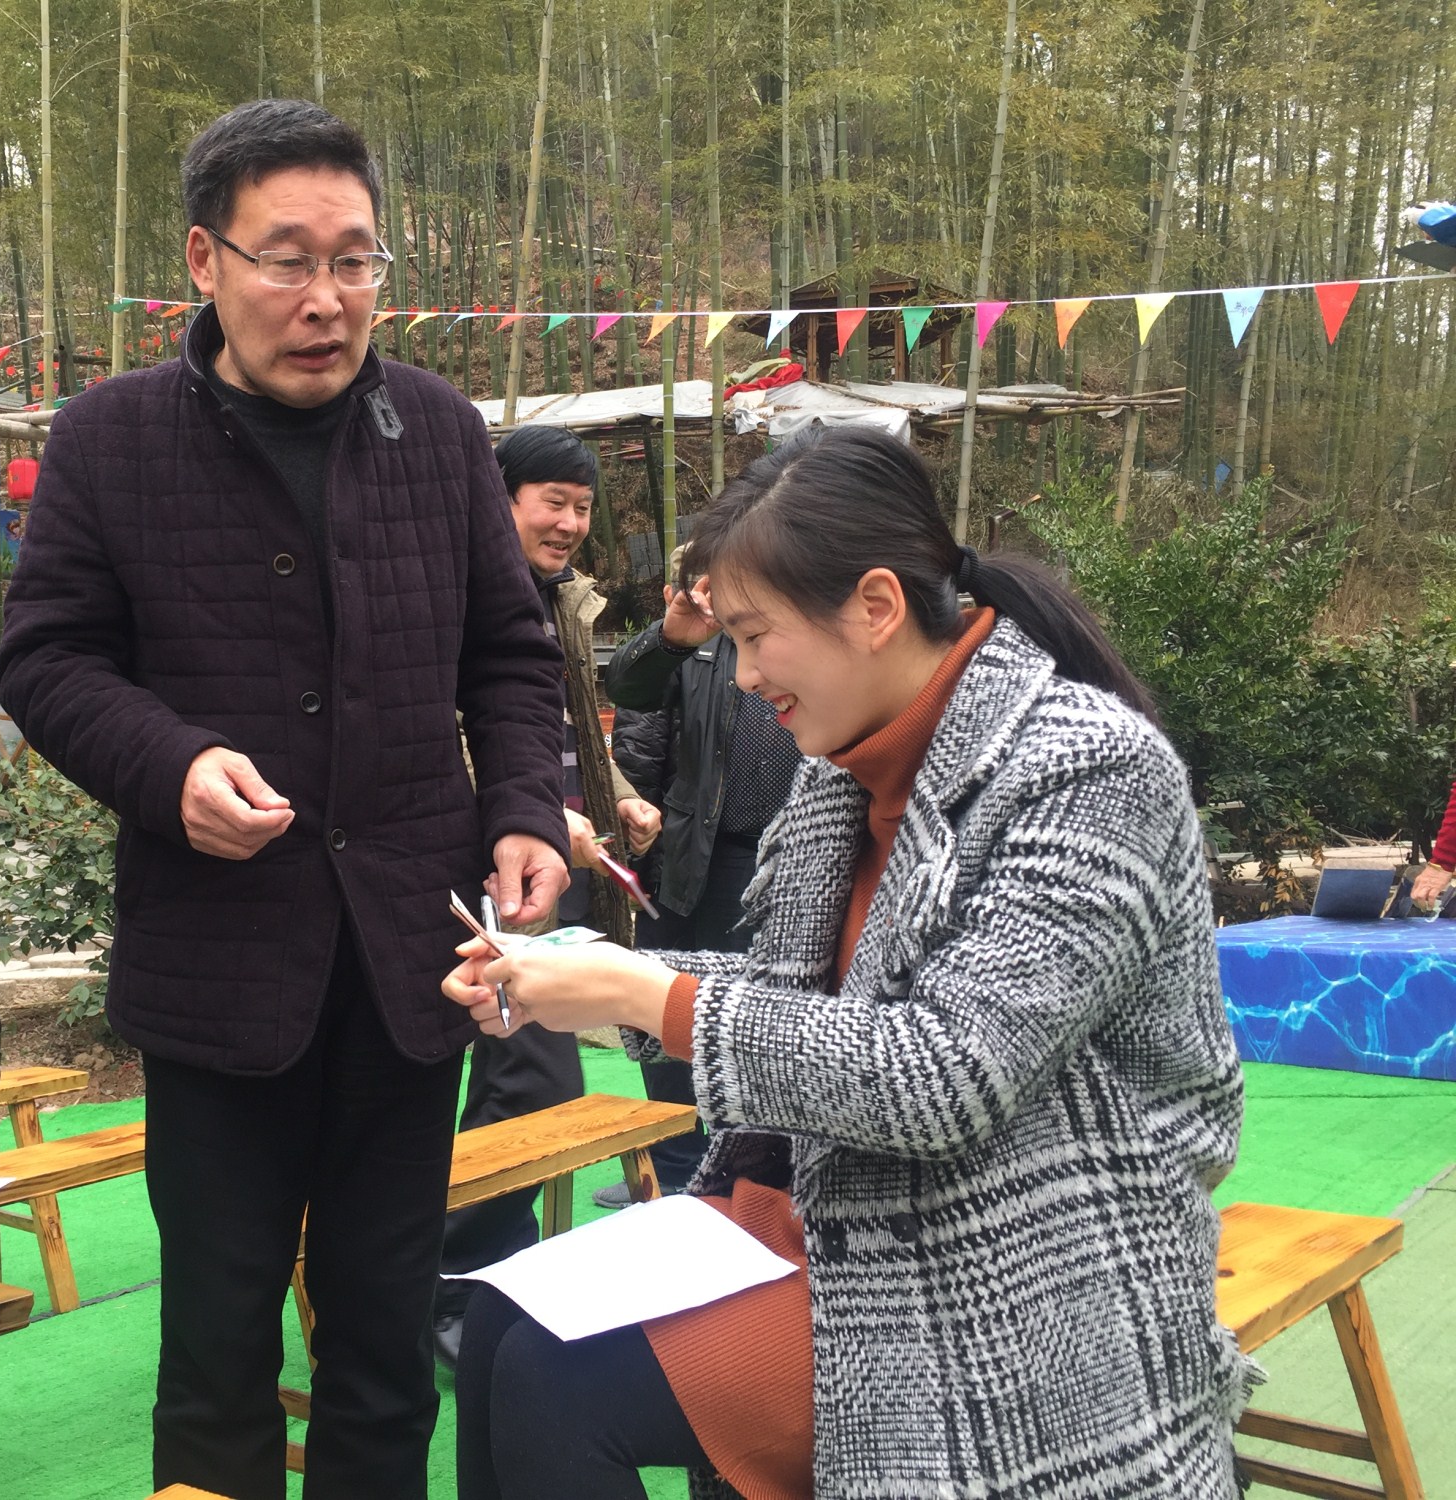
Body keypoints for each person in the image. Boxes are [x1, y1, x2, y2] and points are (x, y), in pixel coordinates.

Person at [443, 426, 1251, 1499]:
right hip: (833, 1211)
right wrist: (586, 984)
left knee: (553, 1382)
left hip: (1020, 1272)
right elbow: (801, 999)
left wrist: (652, 994)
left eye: (753, 636)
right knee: (500, 1323)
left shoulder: (1087, 767)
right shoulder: (844, 769)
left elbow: (948, 1073)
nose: (741, 676)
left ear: (873, 607)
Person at [0, 100, 571, 1500]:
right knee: (217, 1339)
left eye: (355, 261)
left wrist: (523, 808)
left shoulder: (438, 430)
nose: (327, 299)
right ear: (205, 260)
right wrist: (169, 764)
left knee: (385, 1333)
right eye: (288, 259)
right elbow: (48, 659)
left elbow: (507, 651)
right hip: (219, 959)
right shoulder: (111, 437)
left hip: (412, 955)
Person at [433, 424, 661, 1367]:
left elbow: (567, 727)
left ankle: (482, 1275)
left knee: (527, 1076)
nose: (568, 523)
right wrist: (527, 815)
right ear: (501, 501)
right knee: (528, 1077)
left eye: (582, 507)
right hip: (470, 867)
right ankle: (455, 1280)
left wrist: (616, 796)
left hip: (535, 868)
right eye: (552, 502)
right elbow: (444, 734)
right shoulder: (454, 588)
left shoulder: (559, 596)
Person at [600, 517, 805, 1206]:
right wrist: (632, 817)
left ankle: (741, 1176)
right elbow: (631, 710)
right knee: (659, 1001)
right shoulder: (686, 648)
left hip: (767, 857)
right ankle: (671, 1167)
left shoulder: (789, 643)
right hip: (684, 852)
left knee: (744, 1013)